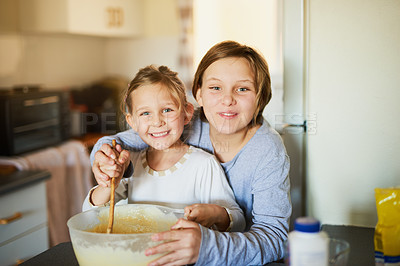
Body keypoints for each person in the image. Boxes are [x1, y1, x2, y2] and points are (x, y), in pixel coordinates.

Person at [91, 41, 291, 265]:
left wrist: (207, 247)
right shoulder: (184, 124)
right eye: (215, 87)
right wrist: (103, 158)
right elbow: (119, 142)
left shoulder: (268, 151)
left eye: (242, 89)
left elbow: (274, 239)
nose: (227, 99)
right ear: (199, 95)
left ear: (260, 97)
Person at [82, 65, 245, 234]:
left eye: (167, 110)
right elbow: (89, 215)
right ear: (132, 122)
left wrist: (215, 214)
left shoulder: (204, 165)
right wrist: (108, 185)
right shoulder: (130, 163)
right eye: (145, 113)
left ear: (187, 113)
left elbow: (238, 221)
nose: (157, 121)